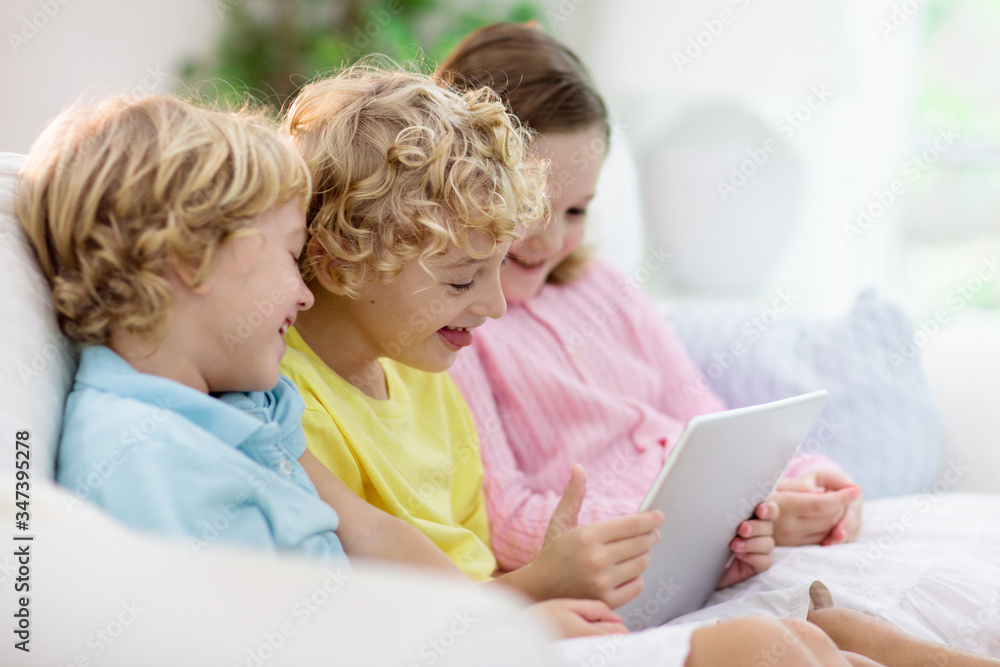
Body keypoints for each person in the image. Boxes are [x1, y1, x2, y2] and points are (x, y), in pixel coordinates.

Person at [275, 64, 1000, 667]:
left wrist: (564, 578)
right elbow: (387, 596)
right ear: (341, 262)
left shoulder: (418, 367)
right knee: (767, 645)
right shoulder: (292, 402)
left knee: (810, 641)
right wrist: (534, 594)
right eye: (464, 279)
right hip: (484, 635)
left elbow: (472, 557)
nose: (495, 305)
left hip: (519, 617)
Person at [17, 93, 623, 640]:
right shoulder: (138, 456)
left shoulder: (248, 399)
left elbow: (369, 533)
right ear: (191, 262)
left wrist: (497, 621)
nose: (304, 292)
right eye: (290, 255)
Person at [437, 22, 865, 573]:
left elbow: (706, 424)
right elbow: (506, 521)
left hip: (721, 537)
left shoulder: (606, 287)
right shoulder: (457, 330)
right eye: (530, 207)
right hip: (645, 561)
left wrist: (804, 480)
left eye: (576, 210)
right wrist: (706, 523)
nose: (552, 238)